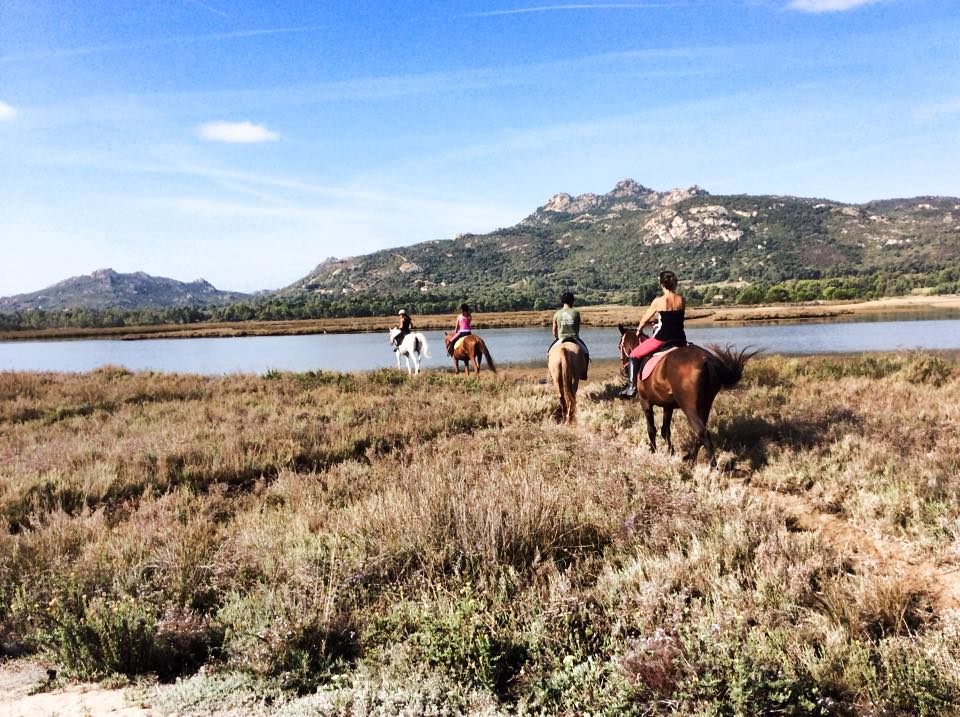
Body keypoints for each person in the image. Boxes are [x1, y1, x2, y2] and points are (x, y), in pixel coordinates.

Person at [619, 270, 686, 398]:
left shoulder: (658, 301)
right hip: (680, 338)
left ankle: (632, 387)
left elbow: (646, 318)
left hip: (662, 338)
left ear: (661, 284)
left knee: (633, 355)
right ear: (675, 284)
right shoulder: (682, 300)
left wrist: (639, 329)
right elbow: (676, 320)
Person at [549, 291, 589, 379]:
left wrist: (557, 338)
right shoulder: (576, 313)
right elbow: (577, 328)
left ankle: (550, 374)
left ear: (562, 301)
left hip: (561, 338)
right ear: (572, 301)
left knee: (549, 353)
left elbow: (554, 330)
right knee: (586, 352)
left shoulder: (557, 314)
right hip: (574, 338)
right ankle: (584, 373)